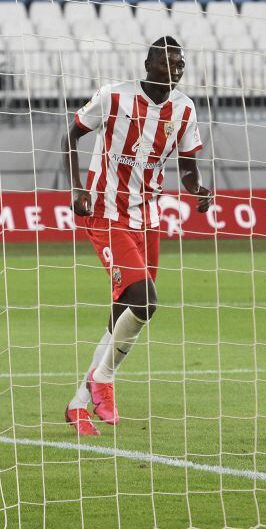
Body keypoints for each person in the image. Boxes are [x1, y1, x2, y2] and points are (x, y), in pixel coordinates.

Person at [61, 36, 213, 436]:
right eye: (169, 63)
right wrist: (77, 188)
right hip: (106, 213)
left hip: (148, 218)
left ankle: (79, 404)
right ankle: (104, 380)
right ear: (148, 64)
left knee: (123, 315)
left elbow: (187, 167)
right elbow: (70, 136)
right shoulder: (113, 97)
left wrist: (198, 188)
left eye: (181, 64)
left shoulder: (184, 109)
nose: (176, 70)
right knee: (144, 301)